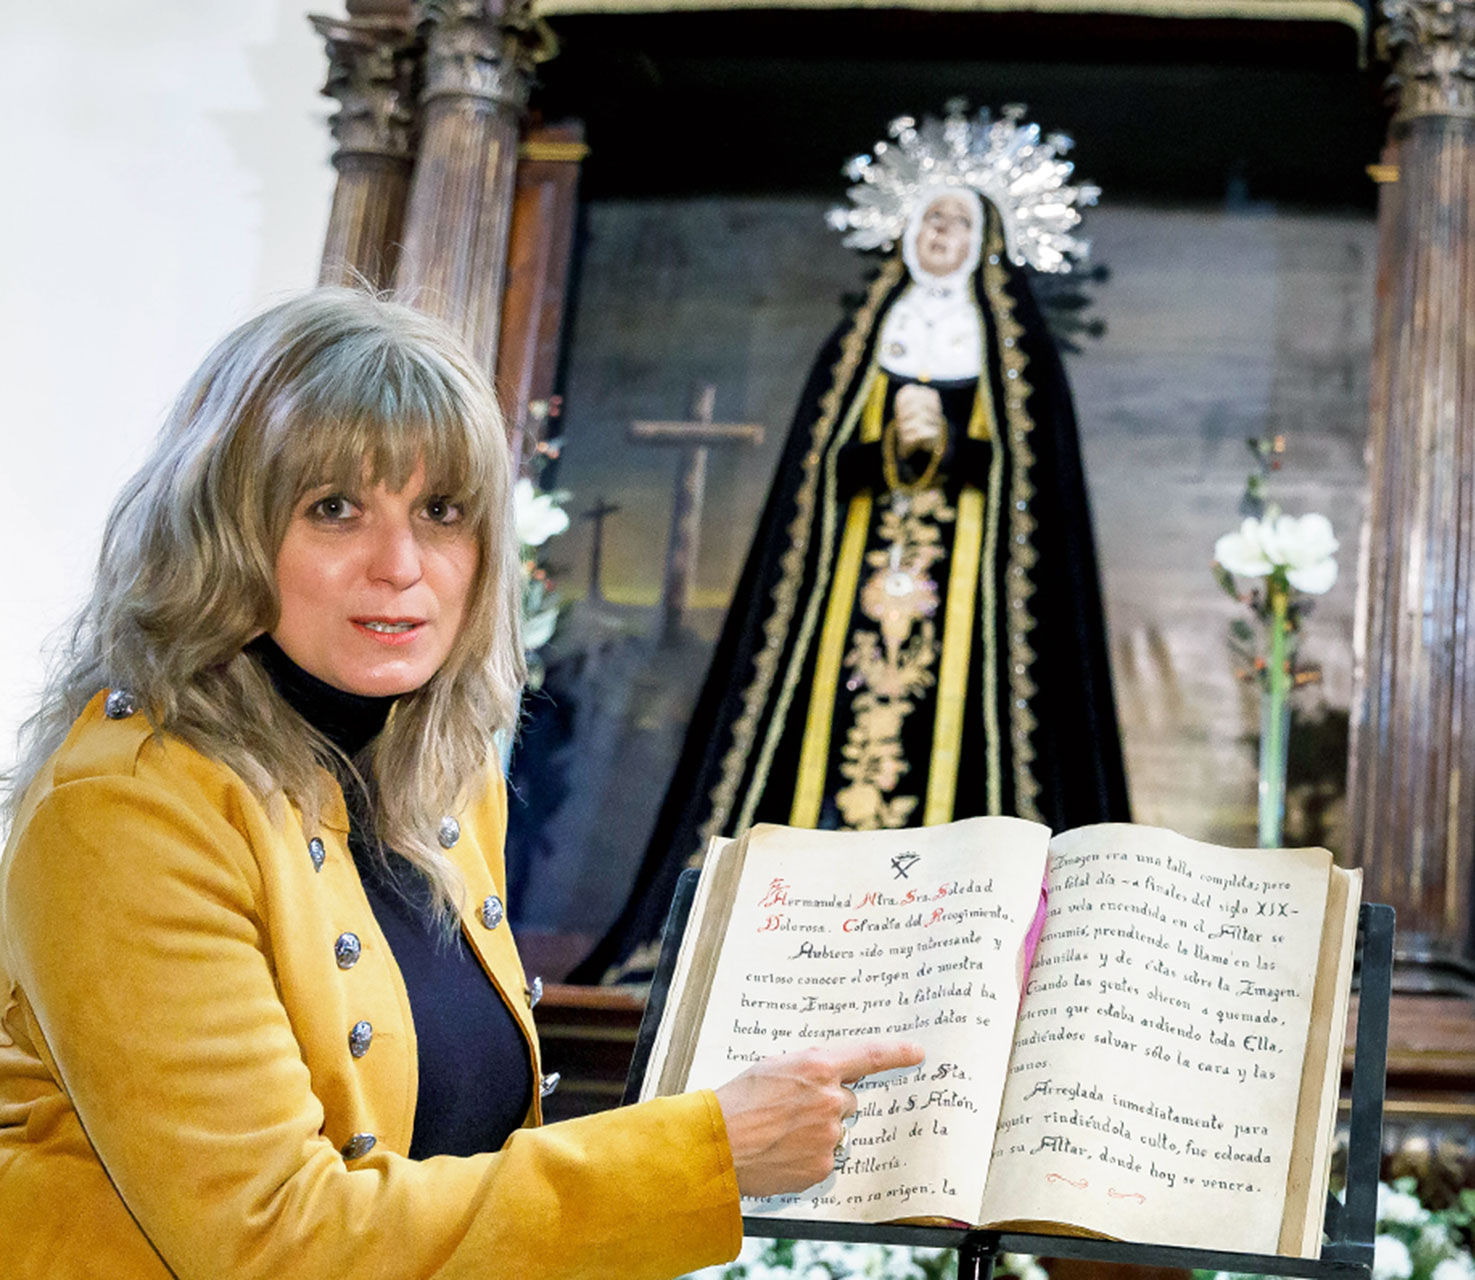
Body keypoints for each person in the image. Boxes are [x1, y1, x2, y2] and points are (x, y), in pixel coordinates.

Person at [0, 289, 921, 1278]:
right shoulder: (124, 811)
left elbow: (459, 1157)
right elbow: (271, 1239)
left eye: (440, 510)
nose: (400, 565)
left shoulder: (438, 773)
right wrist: (700, 1157)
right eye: (335, 508)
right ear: (224, 532)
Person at [574, 108, 1130, 984]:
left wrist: (946, 445)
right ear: (906, 230)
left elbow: (1035, 491)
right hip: (853, 593)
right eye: (932, 220)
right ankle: (800, 937)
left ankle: (957, 948)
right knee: (821, 734)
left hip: (968, 614)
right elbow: (821, 473)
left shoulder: (1014, 354)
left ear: (984, 239)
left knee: (962, 746)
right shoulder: (863, 343)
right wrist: (883, 446)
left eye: (959, 223)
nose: (943, 236)